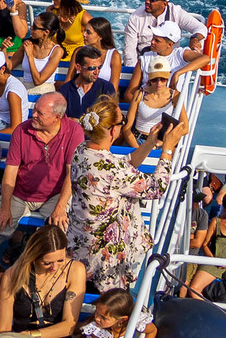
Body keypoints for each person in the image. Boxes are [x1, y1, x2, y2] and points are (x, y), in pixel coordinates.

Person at [67, 100, 161, 289]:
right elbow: (157, 187)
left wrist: (149, 143)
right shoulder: (111, 168)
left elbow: (123, 167)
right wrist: (167, 151)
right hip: (104, 254)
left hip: (80, 240)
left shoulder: (82, 150)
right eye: (122, 122)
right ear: (113, 130)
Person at [0, 90, 82, 235]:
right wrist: (5, 208)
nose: (33, 115)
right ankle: (16, 243)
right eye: (34, 109)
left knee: (63, 230)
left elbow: (70, 173)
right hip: (20, 194)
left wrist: (60, 208)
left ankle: (43, 254)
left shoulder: (74, 131)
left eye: (40, 113)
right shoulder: (21, 130)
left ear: (57, 117)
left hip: (55, 195)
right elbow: (10, 172)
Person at [0, 223, 85, 338]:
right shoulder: (12, 275)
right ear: (34, 256)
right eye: (47, 263)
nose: (55, 267)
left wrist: (31, 335)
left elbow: (69, 326)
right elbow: (3, 329)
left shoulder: (75, 270)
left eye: (60, 260)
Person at [121, 0, 207, 93]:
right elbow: (129, 52)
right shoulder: (135, 17)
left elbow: (200, 28)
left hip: (170, 62)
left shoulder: (176, 13)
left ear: (165, 3)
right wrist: (138, 74)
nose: (147, 1)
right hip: (143, 62)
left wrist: (195, 38)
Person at [187, 191, 226, 305]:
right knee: (194, 289)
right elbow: (205, 244)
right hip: (213, 262)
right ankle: (209, 311)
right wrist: (213, 260)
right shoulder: (215, 221)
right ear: (225, 208)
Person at [120, 61, 188, 166]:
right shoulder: (139, 94)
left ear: (168, 77)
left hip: (161, 143)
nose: (159, 83)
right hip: (137, 140)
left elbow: (185, 128)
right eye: (155, 79)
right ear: (149, 79)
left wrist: (159, 144)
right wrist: (140, 150)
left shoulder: (175, 96)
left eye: (163, 79)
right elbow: (126, 128)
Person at [58, 42, 119, 125]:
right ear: (79, 67)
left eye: (99, 67)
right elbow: (60, 121)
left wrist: (79, 122)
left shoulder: (107, 88)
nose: (97, 72)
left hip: (98, 137)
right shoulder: (65, 90)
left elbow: (112, 118)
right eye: (92, 68)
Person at [18, 14, 63, 96]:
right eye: (32, 25)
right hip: (24, 91)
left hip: (45, 94)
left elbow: (38, 81)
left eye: (35, 27)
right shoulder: (28, 44)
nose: (31, 28)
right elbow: (9, 65)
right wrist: (3, 49)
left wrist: (30, 56)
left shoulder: (57, 51)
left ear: (46, 32)